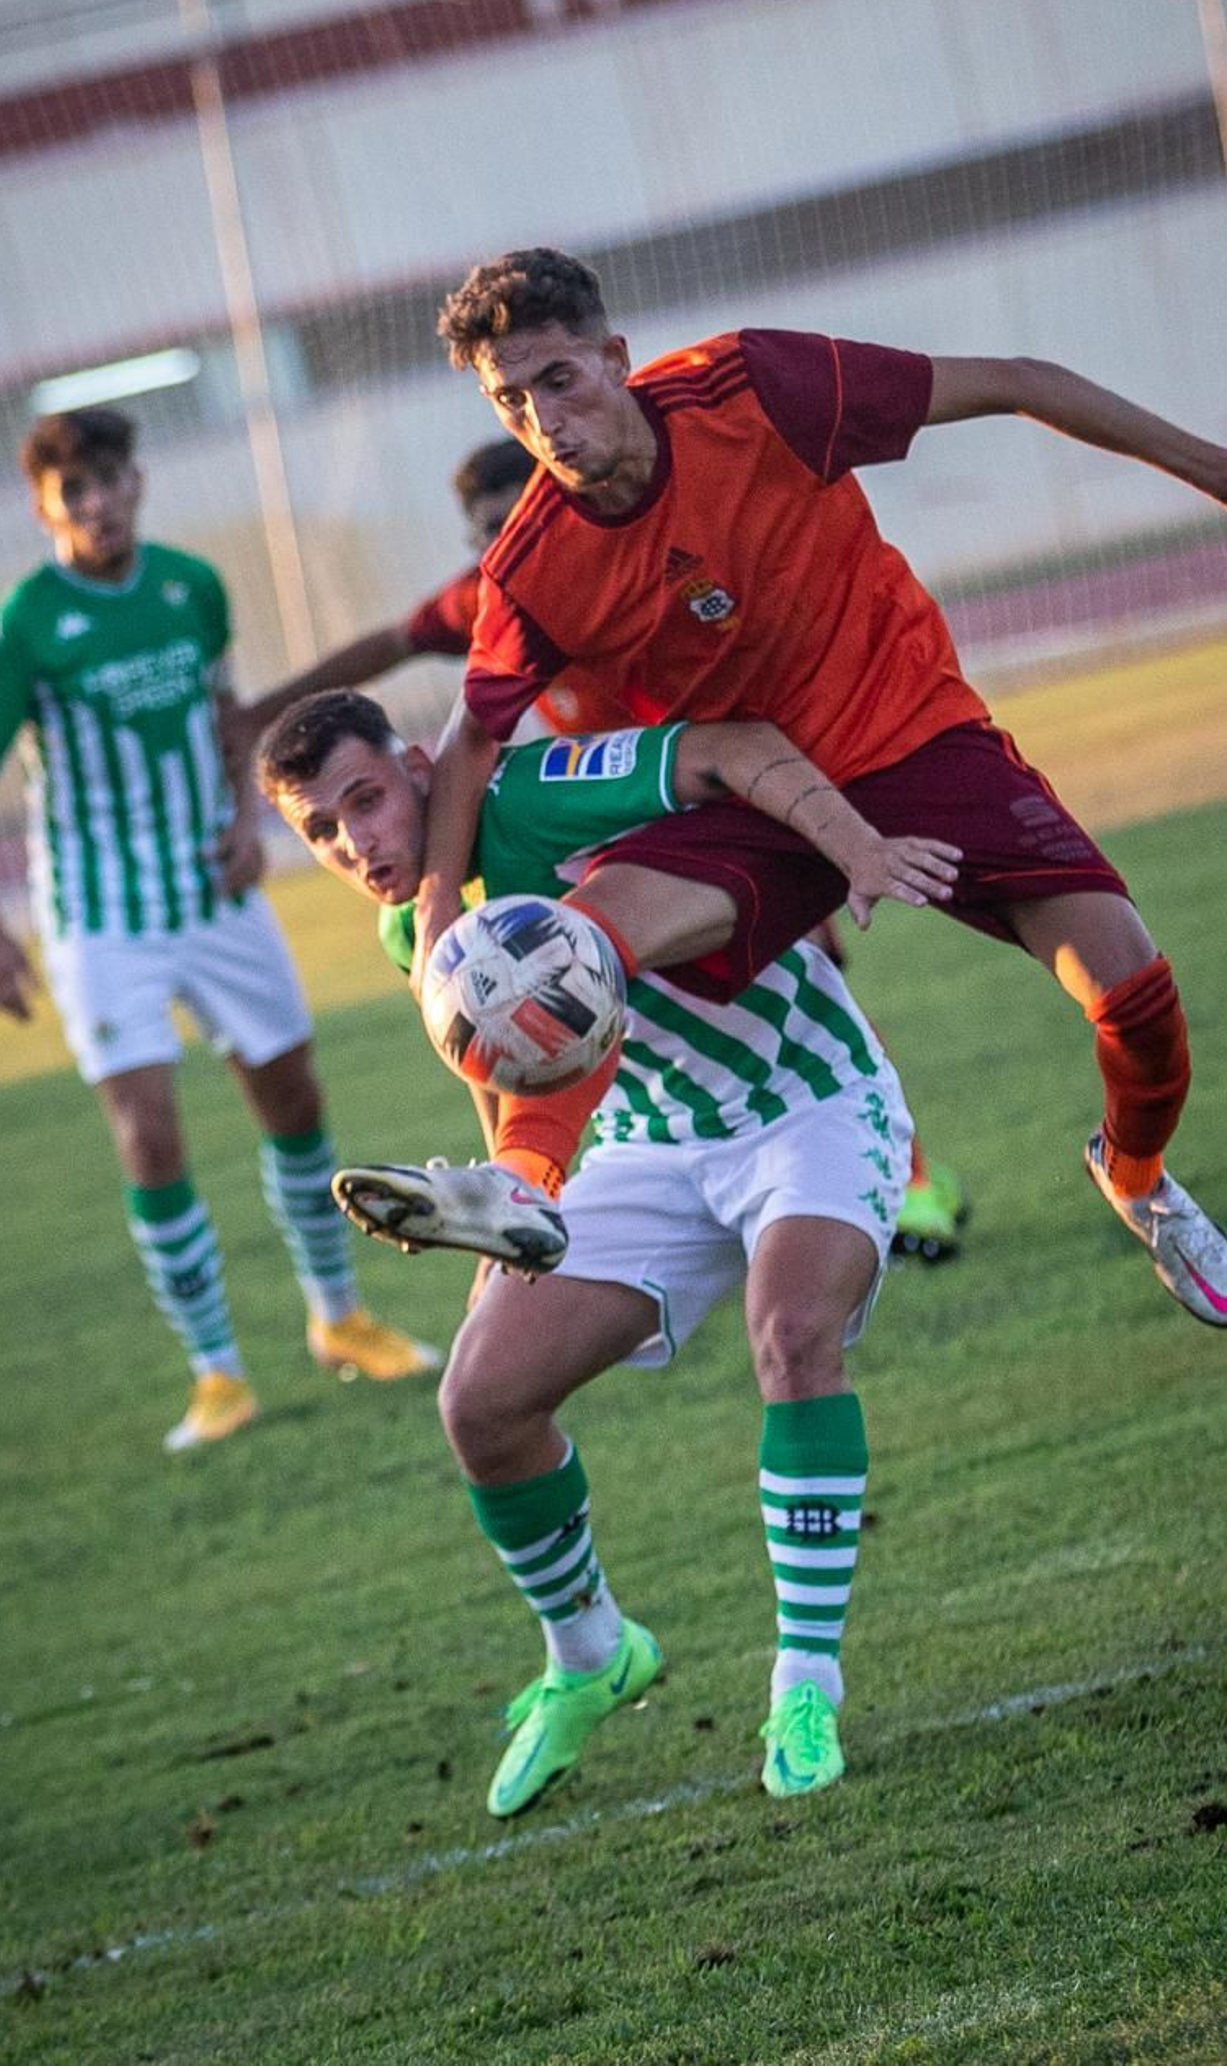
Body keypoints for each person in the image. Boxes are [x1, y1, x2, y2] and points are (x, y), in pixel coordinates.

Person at [345, 247, 1227, 1331]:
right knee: (577, 948)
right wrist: (439, 920)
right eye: (510, 401)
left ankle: (1137, 1174)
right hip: (746, 798)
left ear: (615, 359)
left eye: (558, 380)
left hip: (917, 739)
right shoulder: (531, 565)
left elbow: (1019, 378)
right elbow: (467, 744)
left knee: (1133, 995)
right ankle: (523, 1186)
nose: (542, 420)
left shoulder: (751, 390)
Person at [258, 687, 917, 1807]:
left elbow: (723, 750)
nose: (352, 840)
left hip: (807, 1101)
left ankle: (804, 1682)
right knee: (478, 1400)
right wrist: (501, 1227)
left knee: (792, 1334)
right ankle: (591, 1652)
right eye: (319, 830)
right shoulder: (409, 933)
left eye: (364, 800)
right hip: (642, 1151)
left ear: (421, 766)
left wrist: (846, 845)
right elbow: (505, 1082)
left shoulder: (536, 792)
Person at [236, 432, 969, 1259]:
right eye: (485, 531)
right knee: (564, 993)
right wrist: (256, 712)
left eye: (516, 517)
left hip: (700, 790)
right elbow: (395, 641)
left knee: (804, 992)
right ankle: (536, 1188)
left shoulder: (622, 564)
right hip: (617, 809)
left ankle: (907, 1182)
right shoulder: (495, 600)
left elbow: (728, 712)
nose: (505, 541)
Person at [0, 406, 440, 1454]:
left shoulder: (189, 587)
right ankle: (216, 1373)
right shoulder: (23, 623)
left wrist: (249, 823)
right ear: (44, 507)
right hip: (102, 918)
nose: (99, 504)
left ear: (138, 484)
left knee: (293, 1098)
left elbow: (225, 719)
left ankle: (338, 1317)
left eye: (111, 482)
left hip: (215, 892)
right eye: (76, 492)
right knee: (148, 1131)